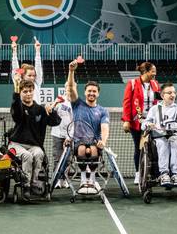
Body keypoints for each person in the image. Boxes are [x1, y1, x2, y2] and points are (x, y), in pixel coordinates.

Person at [8, 80, 61, 197]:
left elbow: (55, 122)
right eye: (25, 91)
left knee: (38, 154)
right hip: (17, 144)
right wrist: (16, 91)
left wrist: (51, 111)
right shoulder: (18, 107)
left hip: (34, 145)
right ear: (20, 93)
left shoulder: (41, 110)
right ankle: (26, 185)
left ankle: (34, 183)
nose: (28, 94)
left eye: (30, 91)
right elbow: (16, 114)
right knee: (27, 156)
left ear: (34, 92)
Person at [65, 57, 110, 192]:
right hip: (78, 141)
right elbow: (71, 87)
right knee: (82, 150)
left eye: (94, 91)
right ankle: (84, 179)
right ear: (85, 92)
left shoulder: (102, 111)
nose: (91, 93)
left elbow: (105, 128)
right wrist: (71, 71)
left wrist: (103, 140)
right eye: (89, 91)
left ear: (98, 93)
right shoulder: (77, 104)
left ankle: (93, 179)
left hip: (95, 141)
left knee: (94, 150)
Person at [142, 83, 177, 188]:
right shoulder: (155, 109)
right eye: (169, 93)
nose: (173, 95)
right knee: (163, 144)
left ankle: (175, 174)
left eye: (174, 92)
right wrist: (148, 124)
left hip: (173, 136)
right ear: (163, 95)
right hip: (159, 137)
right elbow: (144, 124)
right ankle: (164, 174)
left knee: (176, 143)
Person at [122, 61, 161, 186]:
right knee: (139, 147)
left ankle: (154, 173)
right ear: (146, 72)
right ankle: (138, 173)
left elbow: (159, 102)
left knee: (155, 146)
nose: (155, 73)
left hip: (152, 121)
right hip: (137, 121)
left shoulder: (155, 84)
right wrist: (127, 120)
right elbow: (127, 102)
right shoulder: (132, 83)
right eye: (153, 71)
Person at [49, 92, 73, 190]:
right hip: (57, 134)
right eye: (67, 87)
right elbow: (50, 111)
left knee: (67, 159)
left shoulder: (76, 102)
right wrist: (55, 103)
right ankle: (57, 180)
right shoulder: (59, 99)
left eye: (71, 87)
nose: (69, 89)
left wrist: (70, 136)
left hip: (69, 135)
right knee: (57, 158)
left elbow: (76, 121)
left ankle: (66, 179)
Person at [10, 36, 44, 103]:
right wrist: (14, 51)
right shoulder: (19, 83)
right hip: (22, 112)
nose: (32, 78)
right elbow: (15, 69)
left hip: (36, 112)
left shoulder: (37, 83)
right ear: (23, 75)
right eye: (29, 75)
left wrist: (38, 50)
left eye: (34, 75)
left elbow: (38, 67)